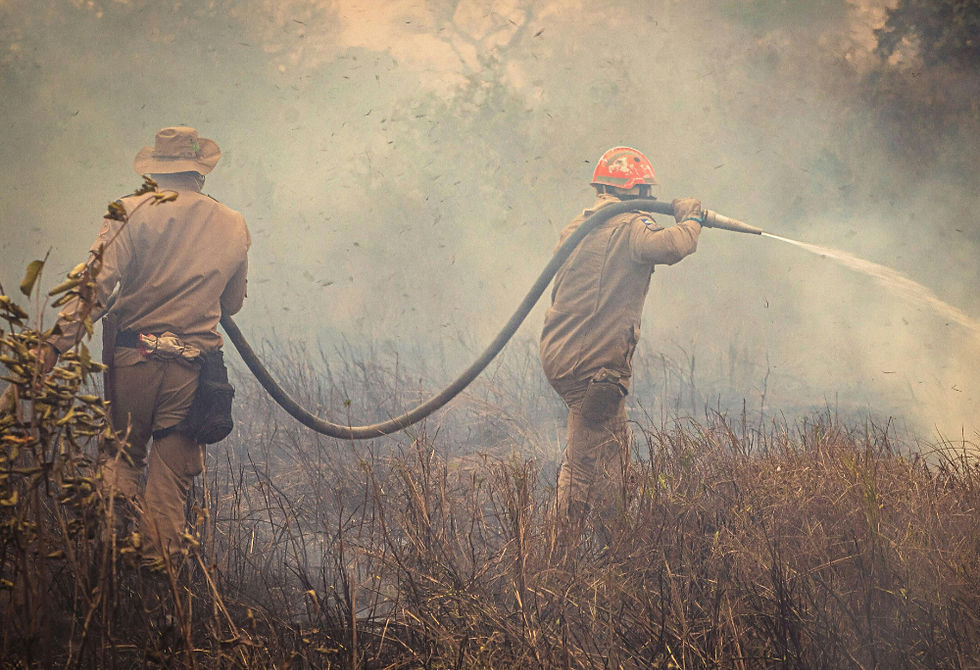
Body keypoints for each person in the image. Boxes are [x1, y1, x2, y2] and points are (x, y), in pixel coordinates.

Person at [41, 126, 250, 561]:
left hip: (133, 359)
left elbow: (95, 289)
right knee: (170, 482)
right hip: (192, 371)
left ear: (154, 172)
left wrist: (55, 345)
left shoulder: (128, 211)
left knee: (120, 460)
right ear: (200, 173)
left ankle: (105, 572)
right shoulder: (233, 222)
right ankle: (159, 582)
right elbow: (231, 303)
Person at [540, 146, 702, 533]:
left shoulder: (579, 226)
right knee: (582, 468)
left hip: (566, 355)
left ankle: (617, 542)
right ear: (634, 191)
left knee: (614, 455)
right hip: (592, 367)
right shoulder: (630, 227)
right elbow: (672, 246)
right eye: (646, 190)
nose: (650, 198)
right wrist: (692, 218)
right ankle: (556, 555)